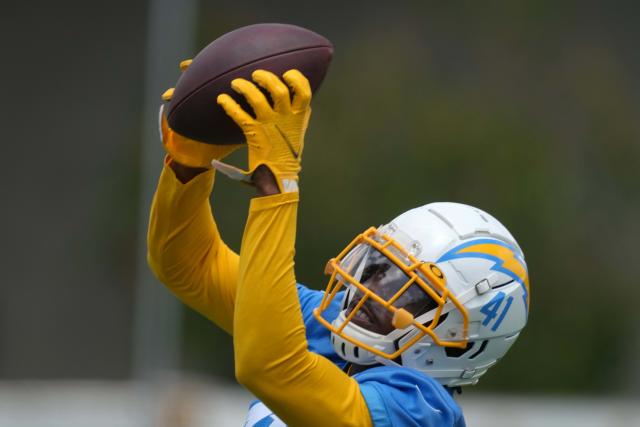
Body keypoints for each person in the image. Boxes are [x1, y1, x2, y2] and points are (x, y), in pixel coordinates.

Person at [148, 65, 530, 427]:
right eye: (379, 267)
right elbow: (188, 264)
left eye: (406, 289)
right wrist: (189, 167)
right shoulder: (333, 327)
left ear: (459, 341)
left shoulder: (419, 411)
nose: (373, 291)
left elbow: (270, 366)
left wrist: (277, 189)